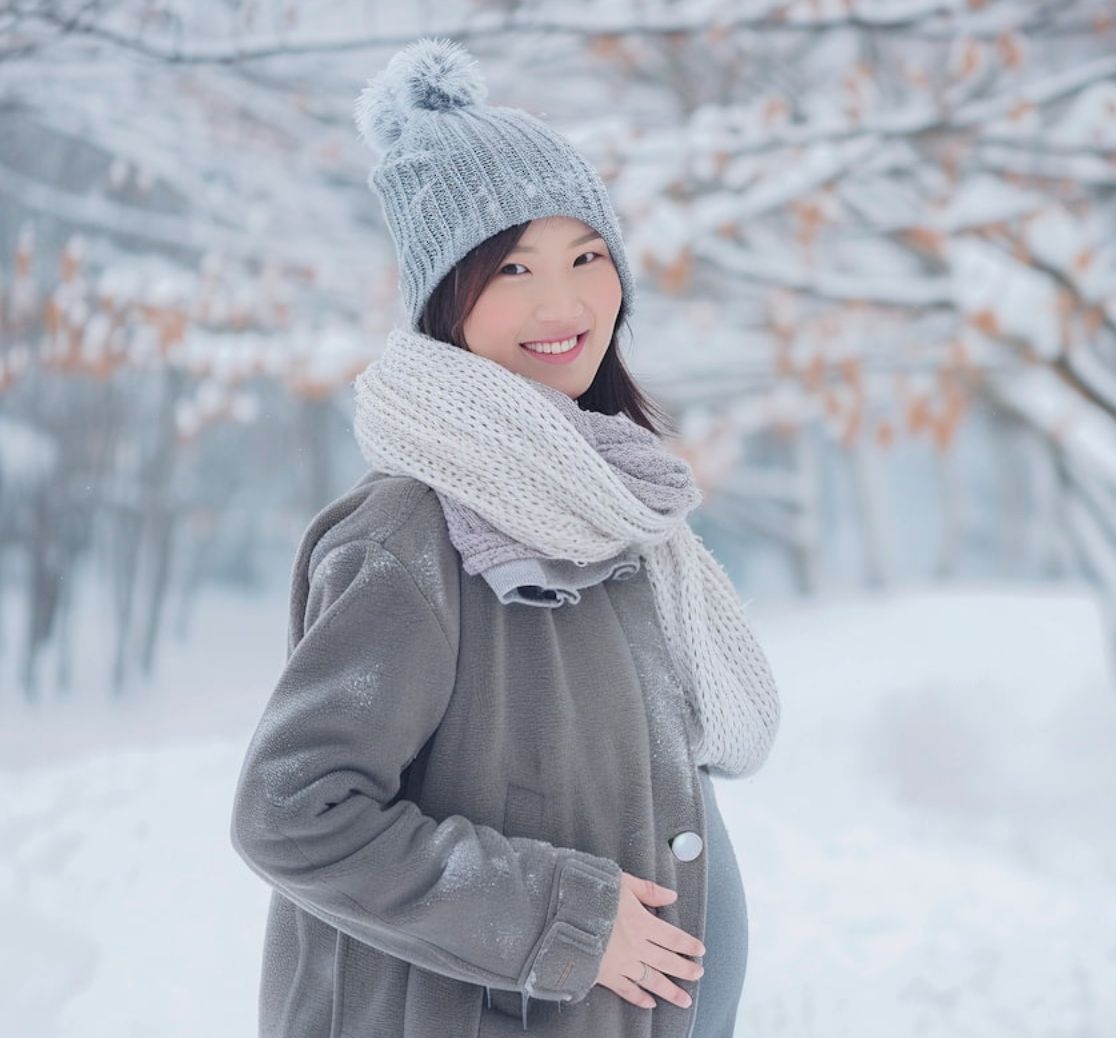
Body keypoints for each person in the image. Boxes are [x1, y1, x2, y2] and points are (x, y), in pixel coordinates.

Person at [228, 36, 782, 1038]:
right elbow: (293, 811)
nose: (562, 303)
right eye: (513, 268)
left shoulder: (612, 505)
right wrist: (560, 918)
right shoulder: (414, 529)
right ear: (448, 298)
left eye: (586, 256)